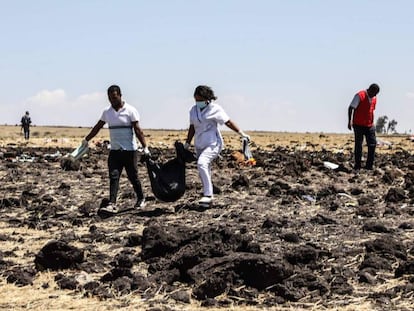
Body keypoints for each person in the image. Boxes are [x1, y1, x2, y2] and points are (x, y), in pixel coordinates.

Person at [83, 85, 150, 214]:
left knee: (133, 176)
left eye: (114, 97)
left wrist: (145, 147)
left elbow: (138, 130)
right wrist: (86, 139)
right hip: (114, 151)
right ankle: (112, 203)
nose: (112, 100)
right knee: (114, 176)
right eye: (109, 98)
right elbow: (98, 127)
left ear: (120, 95)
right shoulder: (107, 112)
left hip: (129, 151)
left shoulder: (130, 111)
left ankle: (141, 198)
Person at [184, 85, 250, 206]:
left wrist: (241, 133)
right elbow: (192, 127)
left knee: (202, 163)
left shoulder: (215, 109)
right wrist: (187, 143)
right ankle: (207, 199)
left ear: (207, 99)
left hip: (213, 143)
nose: (197, 102)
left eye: (200, 100)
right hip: (199, 144)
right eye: (196, 100)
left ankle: (208, 195)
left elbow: (228, 122)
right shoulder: (193, 110)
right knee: (205, 168)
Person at [348, 83, 380, 170]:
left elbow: (371, 110)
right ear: (370, 90)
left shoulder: (374, 98)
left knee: (372, 144)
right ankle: (357, 165)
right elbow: (351, 107)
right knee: (359, 144)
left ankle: (369, 166)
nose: (375, 95)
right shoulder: (360, 95)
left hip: (369, 125)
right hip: (358, 124)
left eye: (376, 94)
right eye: (374, 93)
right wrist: (349, 121)